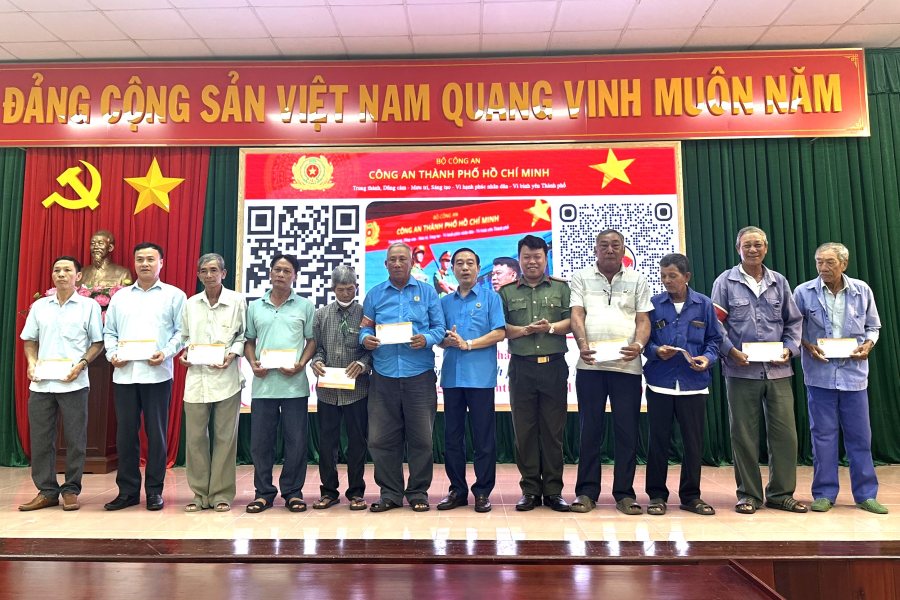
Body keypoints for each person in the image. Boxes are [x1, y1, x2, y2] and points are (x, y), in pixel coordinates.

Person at [711, 226, 806, 515]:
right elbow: (716, 324)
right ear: (738, 249)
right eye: (747, 245)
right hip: (740, 371)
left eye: (758, 245)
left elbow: (793, 322)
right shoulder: (725, 282)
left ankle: (780, 494)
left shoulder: (779, 281)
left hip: (778, 371)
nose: (753, 250)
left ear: (765, 248)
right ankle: (749, 494)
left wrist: (789, 349)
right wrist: (730, 351)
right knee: (743, 435)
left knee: (785, 435)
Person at [794, 243, 887, 514]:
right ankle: (824, 493)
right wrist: (806, 345)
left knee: (860, 437)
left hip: (853, 375)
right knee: (822, 436)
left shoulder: (862, 290)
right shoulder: (803, 292)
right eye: (819, 262)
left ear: (844, 264)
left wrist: (868, 345)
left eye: (830, 262)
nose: (823, 267)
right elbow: (793, 328)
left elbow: (873, 327)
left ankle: (866, 495)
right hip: (819, 375)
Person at [569, 230, 652, 515]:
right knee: (589, 430)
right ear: (595, 250)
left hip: (627, 367)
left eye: (615, 245)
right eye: (603, 245)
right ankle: (586, 492)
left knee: (626, 431)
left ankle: (624, 494)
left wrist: (639, 345)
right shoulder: (581, 277)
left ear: (624, 249)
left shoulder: (638, 279)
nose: (609, 249)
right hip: (590, 365)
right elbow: (577, 314)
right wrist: (581, 343)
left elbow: (643, 319)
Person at [360, 243, 445, 512]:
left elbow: (439, 328)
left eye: (402, 259)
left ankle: (418, 492)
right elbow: (364, 329)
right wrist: (366, 339)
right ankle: (390, 493)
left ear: (411, 263)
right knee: (380, 439)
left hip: (419, 375)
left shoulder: (428, 292)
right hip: (383, 376)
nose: (397, 264)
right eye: (392, 260)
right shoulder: (374, 294)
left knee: (422, 439)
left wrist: (426, 339)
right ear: (385, 264)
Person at [103, 242, 186, 511]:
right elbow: (110, 332)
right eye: (140, 259)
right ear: (134, 263)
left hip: (157, 374)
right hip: (125, 374)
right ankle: (127, 492)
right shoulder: (120, 297)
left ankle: (154, 491)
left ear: (161, 263)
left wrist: (166, 352)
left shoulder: (174, 296)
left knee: (156, 435)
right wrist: (112, 354)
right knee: (126, 435)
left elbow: (182, 333)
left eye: (151, 259)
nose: (145, 264)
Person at [18, 256, 103, 512]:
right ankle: (47, 491)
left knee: (76, 439)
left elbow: (97, 343)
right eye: (57, 270)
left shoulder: (89, 306)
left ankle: (71, 490)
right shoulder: (40, 306)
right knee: (41, 439)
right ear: (52, 275)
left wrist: (82, 364)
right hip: (41, 384)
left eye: (67, 270)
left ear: (78, 276)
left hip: (74, 382)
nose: (61, 274)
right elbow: (29, 340)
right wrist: (31, 363)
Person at [643, 253, 722, 516]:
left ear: (686, 277)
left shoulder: (704, 304)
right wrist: (656, 351)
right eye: (663, 276)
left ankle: (691, 496)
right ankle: (657, 495)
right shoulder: (653, 304)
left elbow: (714, 340)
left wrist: (707, 358)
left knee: (693, 442)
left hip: (694, 384)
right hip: (660, 383)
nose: (667, 281)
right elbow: (644, 341)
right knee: (658, 442)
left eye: (672, 276)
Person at [498, 235, 571, 512]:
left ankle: (553, 491)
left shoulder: (561, 288)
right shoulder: (506, 292)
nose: (532, 262)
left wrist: (550, 328)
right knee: (525, 431)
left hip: (553, 366)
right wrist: (525, 330)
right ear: (519, 259)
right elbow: (500, 328)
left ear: (545, 258)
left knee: (553, 432)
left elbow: (573, 321)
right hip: (522, 368)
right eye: (526, 257)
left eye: (537, 256)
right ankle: (529, 490)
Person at [244, 254, 317, 514]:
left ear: (295, 276)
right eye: (277, 270)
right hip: (263, 385)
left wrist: (301, 364)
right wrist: (253, 363)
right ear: (270, 273)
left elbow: (312, 341)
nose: (281, 275)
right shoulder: (255, 306)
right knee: (260, 443)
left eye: (287, 271)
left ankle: (293, 493)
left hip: (294, 385)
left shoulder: (305, 306)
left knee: (296, 442)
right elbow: (249, 341)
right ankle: (263, 493)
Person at [437, 248, 505, 513]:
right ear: (453, 269)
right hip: (452, 378)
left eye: (469, 263)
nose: (464, 268)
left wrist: (468, 344)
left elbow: (499, 333)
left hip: (481, 378)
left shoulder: (491, 298)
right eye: (459, 264)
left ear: (478, 267)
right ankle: (457, 490)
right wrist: (447, 340)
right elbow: (439, 337)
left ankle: (482, 492)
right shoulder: (444, 302)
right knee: (452, 438)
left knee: (483, 438)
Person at [178, 253, 246, 513]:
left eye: (214, 270)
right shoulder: (191, 304)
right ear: (198, 275)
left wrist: (233, 354)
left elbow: (243, 336)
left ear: (224, 273)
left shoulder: (237, 301)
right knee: (195, 439)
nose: (209, 275)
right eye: (204, 271)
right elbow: (184, 337)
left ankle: (221, 494)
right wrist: (185, 353)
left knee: (225, 439)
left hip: (227, 380)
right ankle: (199, 494)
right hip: (196, 380)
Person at [310, 266, 371, 511]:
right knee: (327, 443)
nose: (346, 293)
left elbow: (371, 350)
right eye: (341, 289)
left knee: (357, 443)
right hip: (328, 391)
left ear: (356, 287)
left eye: (350, 289)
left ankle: (356, 492)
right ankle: (328, 492)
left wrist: (363, 364)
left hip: (357, 391)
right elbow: (317, 348)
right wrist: (316, 362)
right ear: (333, 289)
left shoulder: (366, 315)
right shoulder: (321, 314)